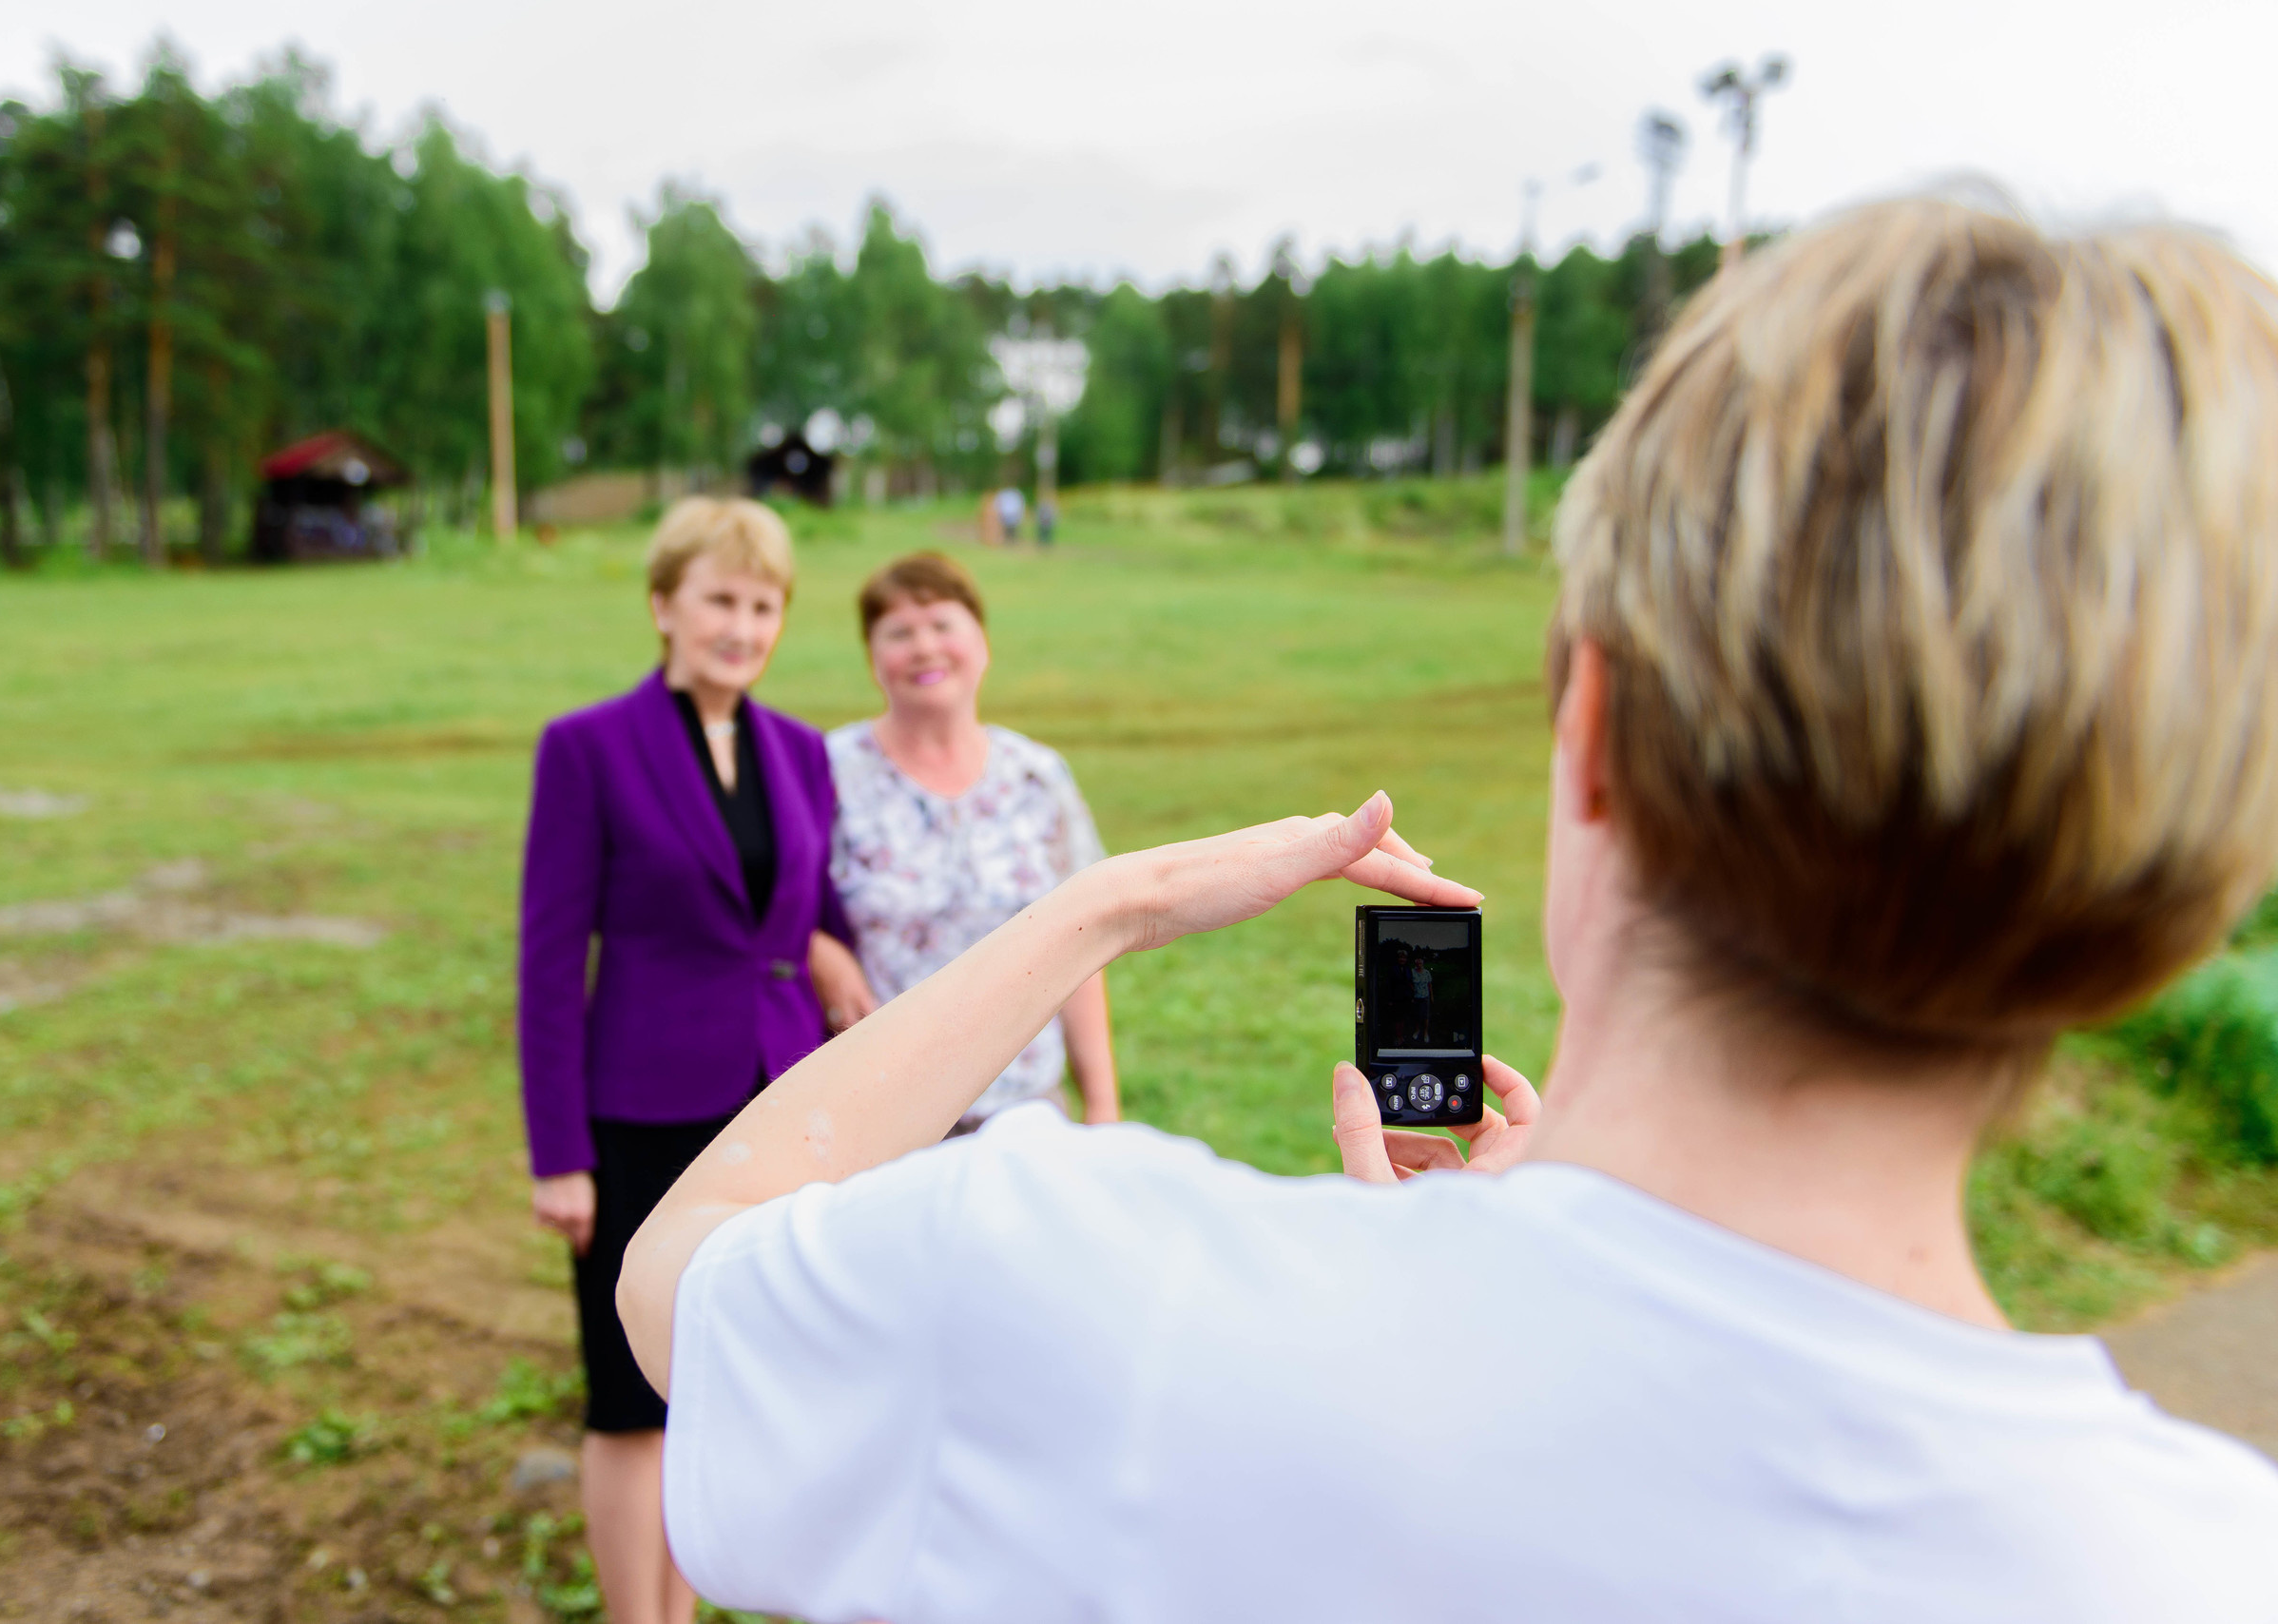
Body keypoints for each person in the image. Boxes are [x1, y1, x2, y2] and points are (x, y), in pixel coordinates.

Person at [617, 202, 2278, 1620]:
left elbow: (676, 1273)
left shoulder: (1098, 1300)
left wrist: (1104, 907)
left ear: (1599, 732)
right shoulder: (2208, 1562)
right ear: (2165, 883)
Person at [515, 496, 874, 1624]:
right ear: (664, 605)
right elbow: (545, 959)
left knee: (723, 1385)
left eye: (763, 605)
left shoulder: (802, 752)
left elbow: (814, 910)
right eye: (719, 598)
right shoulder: (586, 748)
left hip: (771, 1106)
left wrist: (817, 945)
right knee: (630, 1396)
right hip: (639, 1110)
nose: (742, 624)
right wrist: (558, 1154)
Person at [825, 551, 1117, 1129]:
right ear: (872, 657)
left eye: (942, 624)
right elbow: (782, 911)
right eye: (899, 632)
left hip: (1026, 1109)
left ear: (981, 641)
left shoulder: (1037, 775)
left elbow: (1083, 946)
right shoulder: (827, 772)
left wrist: (1103, 1109)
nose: (924, 647)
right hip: (881, 1114)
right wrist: (821, 955)